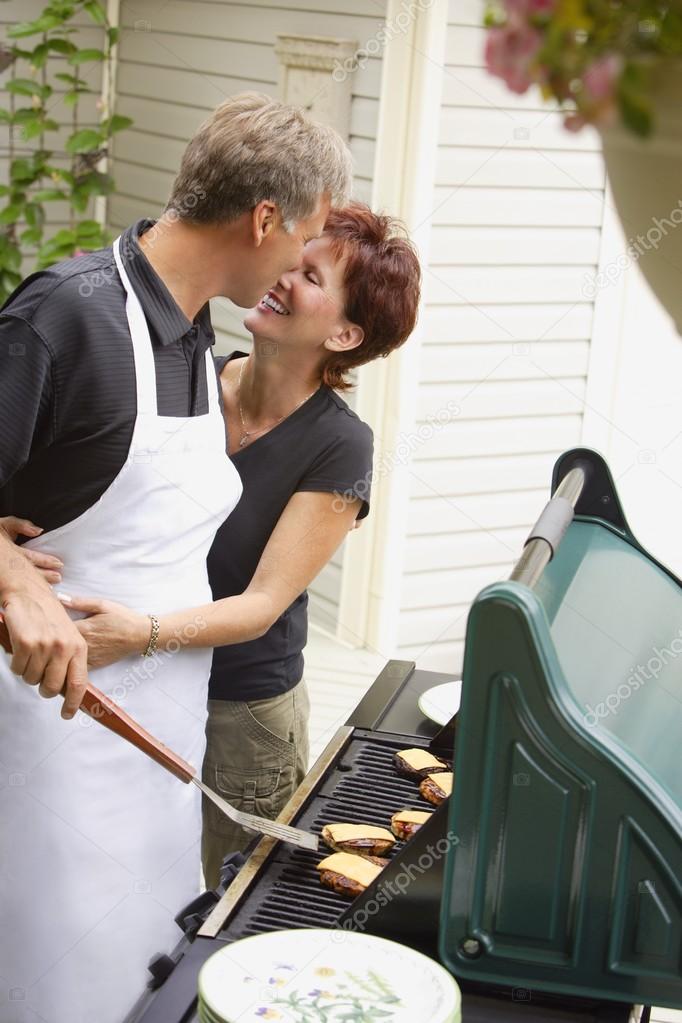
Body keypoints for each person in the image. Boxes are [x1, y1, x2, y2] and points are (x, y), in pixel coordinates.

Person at [0, 93, 351, 1023]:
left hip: (162, 741)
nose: (293, 267)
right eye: (303, 239)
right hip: (49, 741)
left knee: (144, 975)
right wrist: (7, 580)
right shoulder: (68, 317)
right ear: (265, 219)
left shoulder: (196, 332)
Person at [50, 203, 422, 888]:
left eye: (310, 275)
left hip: (242, 718)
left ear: (344, 333)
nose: (283, 275)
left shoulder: (340, 444)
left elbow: (261, 605)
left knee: (230, 907)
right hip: (143, 683)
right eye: (294, 257)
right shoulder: (192, 378)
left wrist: (140, 632)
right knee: (131, 884)